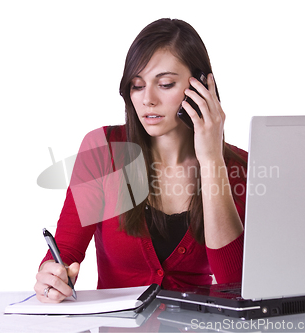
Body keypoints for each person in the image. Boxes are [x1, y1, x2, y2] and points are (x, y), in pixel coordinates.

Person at [34, 18, 248, 303]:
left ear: (202, 87)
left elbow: (234, 285)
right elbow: (64, 252)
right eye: (137, 85)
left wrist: (211, 160)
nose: (147, 99)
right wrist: (52, 274)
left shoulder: (237, 167)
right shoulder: (105, 150)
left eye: (166, 84)